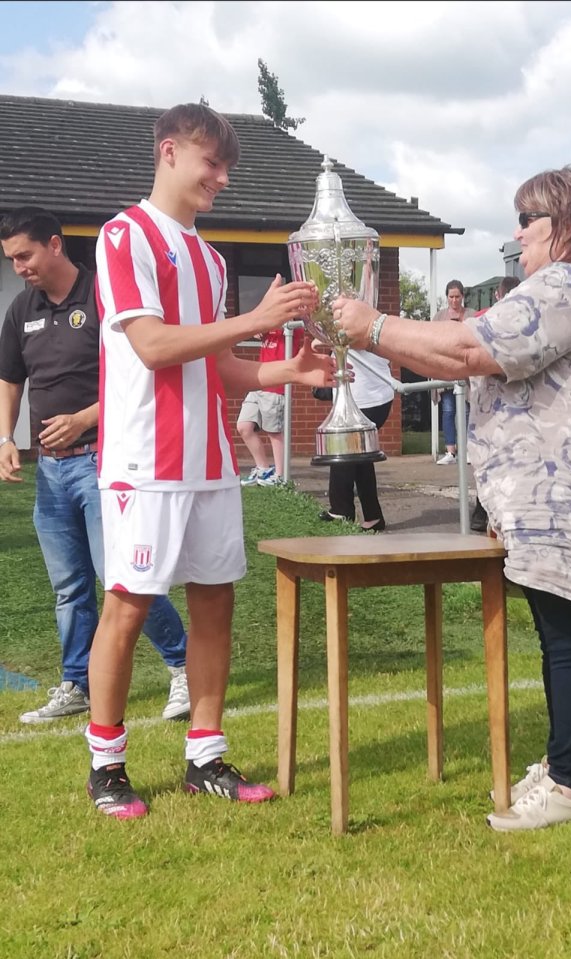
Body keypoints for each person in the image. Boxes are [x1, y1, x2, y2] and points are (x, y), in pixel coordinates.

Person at [333, 164, 571, 832]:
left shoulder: (564, 285)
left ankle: (568, 786)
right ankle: (563, 766)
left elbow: (470, 349)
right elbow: (458, 357)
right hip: (555, 504)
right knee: (559, 638)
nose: (517, 234)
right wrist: (371, 335)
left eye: (527, 221)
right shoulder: (557, 287)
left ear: (559, 227)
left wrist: (377, 325)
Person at [86, 102, 332, 819]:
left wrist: (286, 373)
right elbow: (155, 346)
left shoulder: (212, 258)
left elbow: (222, 367)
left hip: (210, 462)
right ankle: (106, 764)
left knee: (216, 601)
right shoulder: (123, 235)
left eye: (227, 167)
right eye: (210, 163)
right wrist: (259, 319)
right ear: (169, 152)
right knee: (127, 607)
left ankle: (204, 755)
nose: (221, 179)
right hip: (144, 459)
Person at [0, 206, 191, 725]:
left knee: (122, 577)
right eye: (12, 259)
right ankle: (75, 684)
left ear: (55, 245)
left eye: (25, 255)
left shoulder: (106, 295)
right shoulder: (22, 309)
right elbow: (10, 378)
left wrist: (84, 418)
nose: (20, 267)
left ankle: (184, 668)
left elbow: (141, 376)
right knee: (70, 586)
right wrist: (5, 437)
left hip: (104, 463)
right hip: (51, 473)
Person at [318, 349, 394, 531]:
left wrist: (323, 337)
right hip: (362, 397)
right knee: (361, 457)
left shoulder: (361, 321)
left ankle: (341, 511)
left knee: (344, 449)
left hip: (369, 398)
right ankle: (373, 517)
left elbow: (354, 338)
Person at [470, 275, 521, 532]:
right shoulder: (485, 321)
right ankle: (483, 511)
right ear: (498, 297)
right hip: (488, 405)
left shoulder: (525, 322)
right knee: (486, 461)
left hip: (513, 410)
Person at [237, 324, 304, 487]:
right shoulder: (269, 325)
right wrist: (257, 328)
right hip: (258, 382)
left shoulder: (291, 327)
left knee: (274, 432)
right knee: (244, 427)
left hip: (275, 386)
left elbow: (291, 324)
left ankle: (281, 476)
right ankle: (263, 469)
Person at [431, 279, 474, 464]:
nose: (454, 300)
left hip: (465, 371)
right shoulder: (439, 316)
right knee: (448, 411)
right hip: (445, 370)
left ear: (462, 297)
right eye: (451, 297)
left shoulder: (471, 315)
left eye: (457, 297)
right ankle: (451, 451)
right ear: (447, 297)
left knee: (465, 412)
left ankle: (467, 450)